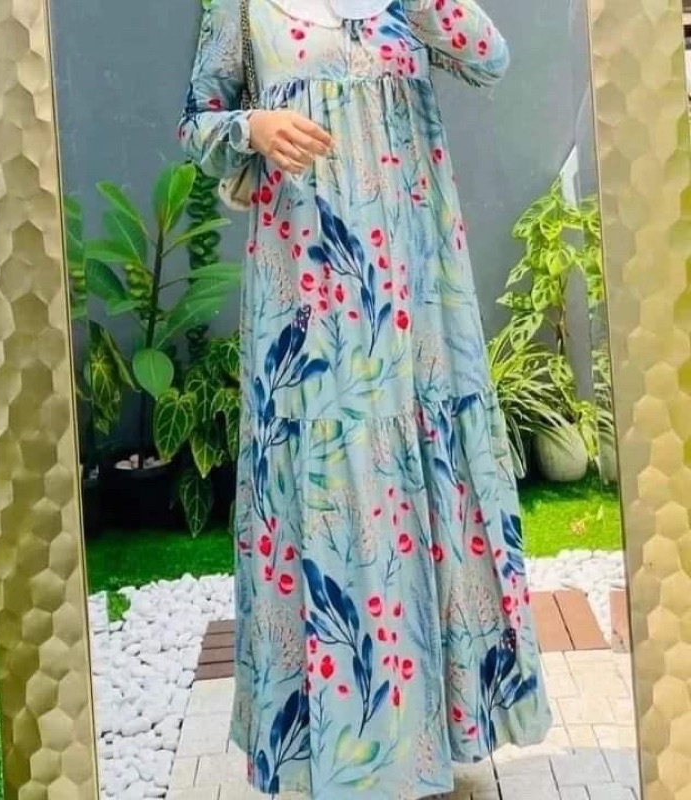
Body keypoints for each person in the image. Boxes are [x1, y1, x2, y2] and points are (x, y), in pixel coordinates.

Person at [178, 0, 552, 796]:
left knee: (421, 491)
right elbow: (197, 124)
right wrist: (254, 127)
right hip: (307, 306)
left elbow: (489, 57)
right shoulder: (243, 7)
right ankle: (340, 752)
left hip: (417, 303)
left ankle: (428, 736)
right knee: (324, 496)